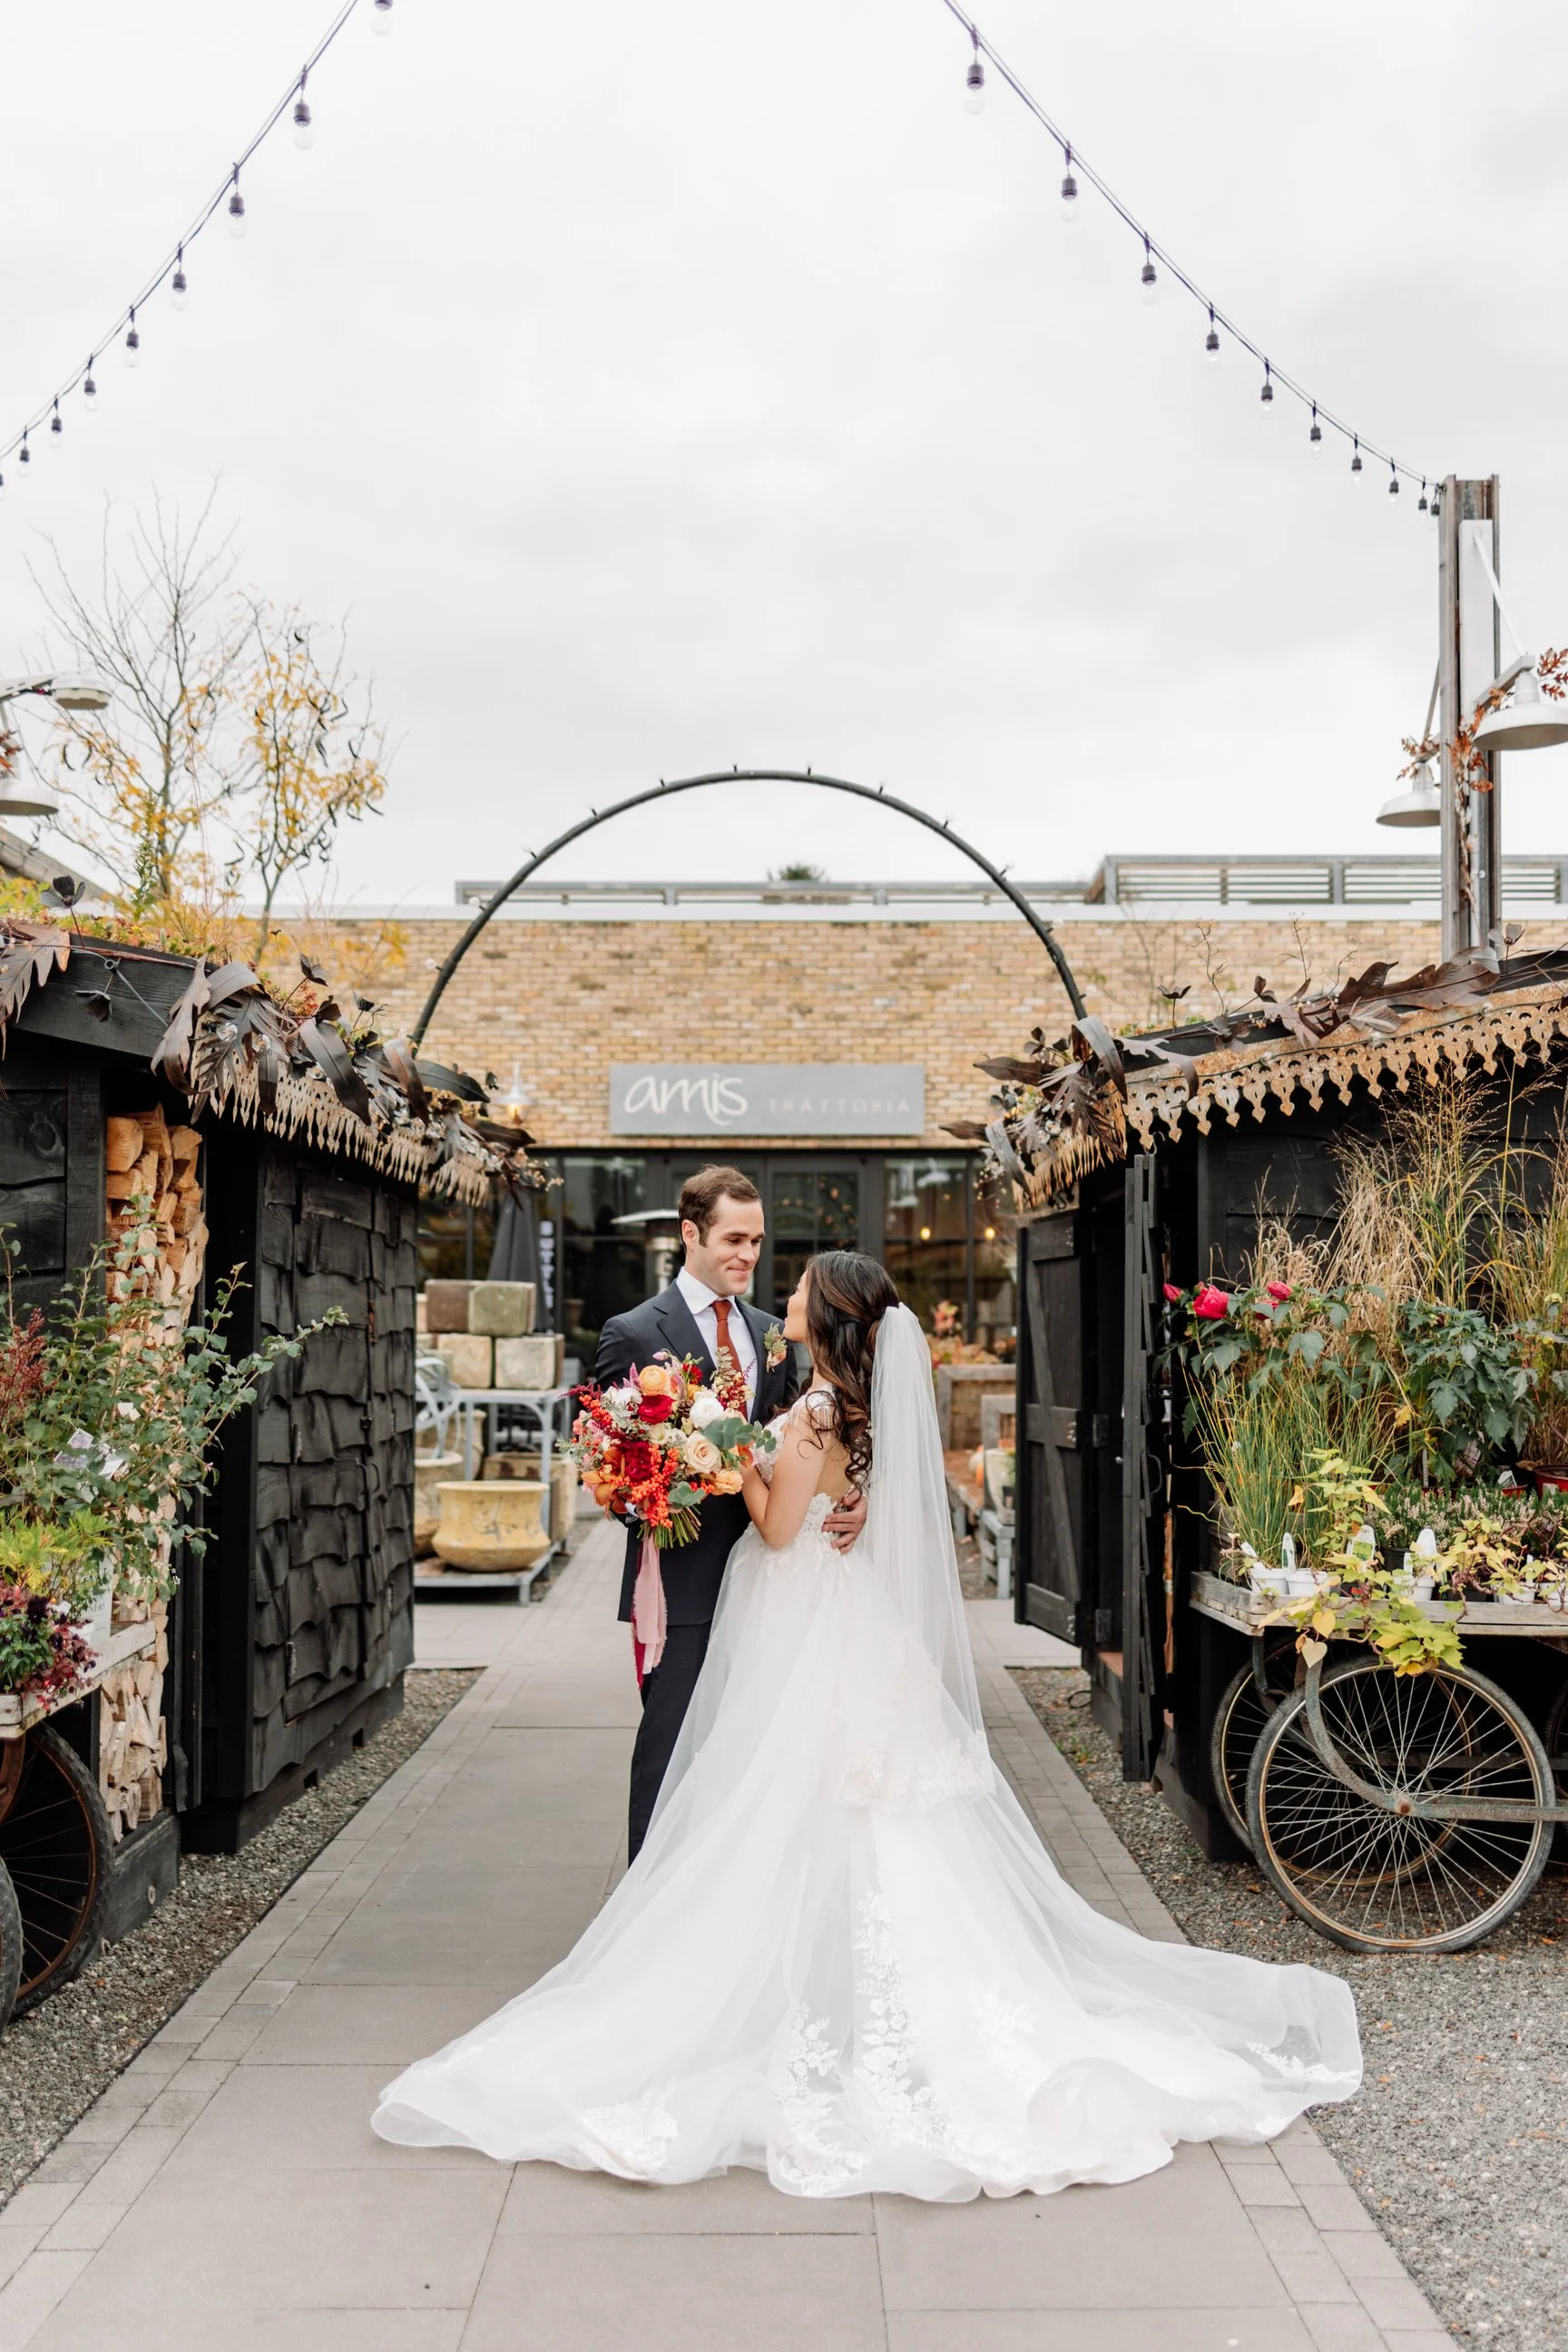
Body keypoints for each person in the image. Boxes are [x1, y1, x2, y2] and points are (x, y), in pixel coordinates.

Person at [373, 1250, 1360, 2197]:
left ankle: (803, 2003)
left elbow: (775, 1527)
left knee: (784, 1797)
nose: (787, 1291)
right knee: (854, 1809)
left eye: (802, 1286)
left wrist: (717, 1454)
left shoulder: (810, 1408)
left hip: (796, 1613)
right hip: (841, 1616)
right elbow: (855, 1498)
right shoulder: (856, 1408)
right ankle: (852, 1994)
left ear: (828, 1314)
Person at [593, 1165, 866, 1859]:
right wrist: (659, 1489)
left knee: (757, 1753)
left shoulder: (777, 1333)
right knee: (671, 1743)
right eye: (734, 1239)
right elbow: (608, 1462)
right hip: (683, 1578)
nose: (748, 1254)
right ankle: (647, 1903)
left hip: (778, 1584)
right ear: (692, 1234)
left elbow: (812, 1440)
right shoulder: (630, 1332)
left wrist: (852, 1496)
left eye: (757, 1241)